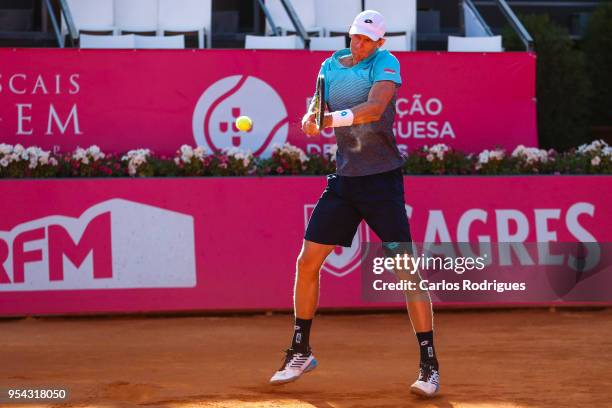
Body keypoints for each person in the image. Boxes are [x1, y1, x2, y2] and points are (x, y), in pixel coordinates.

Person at [269, 10, 440, 397]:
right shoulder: (330, 66)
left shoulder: (386, 63)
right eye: (354, 37)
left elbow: (375, 108)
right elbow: (314, 110)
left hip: (382, 184)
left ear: (380, 42)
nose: (357, 44)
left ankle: (428, 365)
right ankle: (300, 350)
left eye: (365, 39)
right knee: (307, 262)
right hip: (345, 183)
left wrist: (330, 118)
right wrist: (311, 119)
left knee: (405, 272)